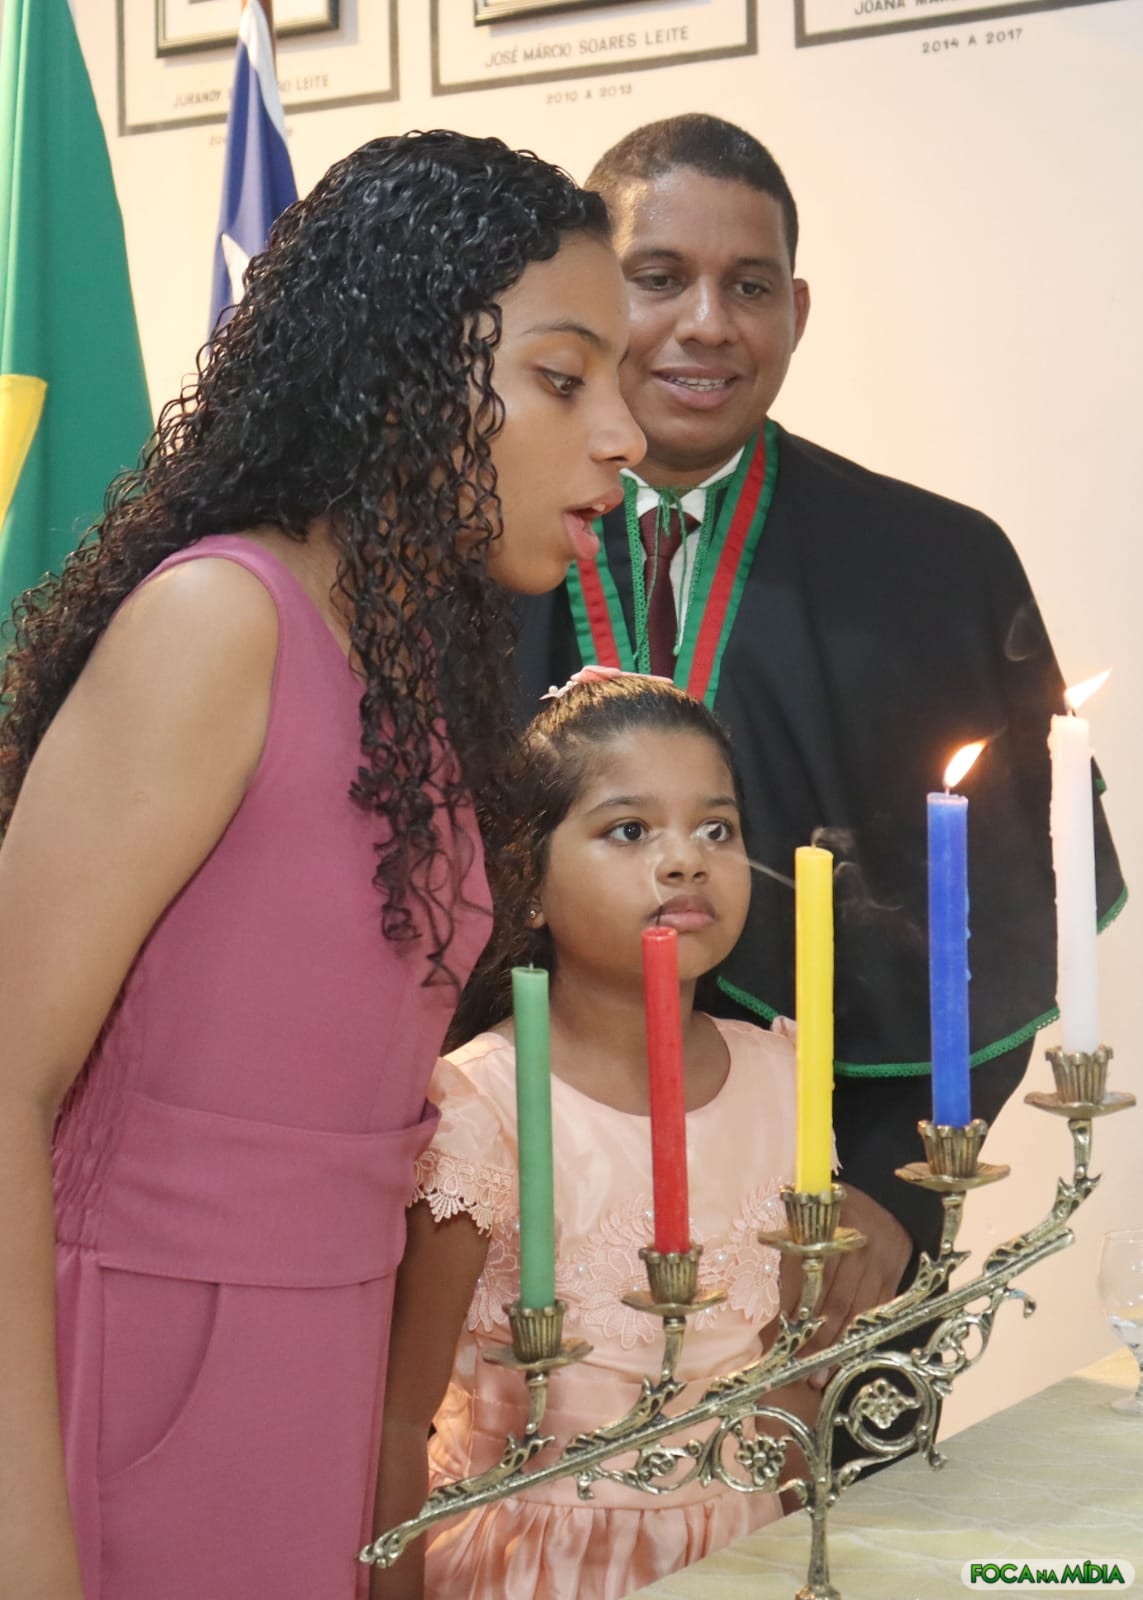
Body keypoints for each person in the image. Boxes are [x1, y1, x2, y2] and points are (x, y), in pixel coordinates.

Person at [0, 131, 643, 1600]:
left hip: (327, 1350)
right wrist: (19, 1531)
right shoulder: (218, 622)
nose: (619, 430)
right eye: (562, 377)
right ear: (404, 367)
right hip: (147, 1363)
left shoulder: (411, 664)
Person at [515, 114, 1125, 1349]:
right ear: (589, 299)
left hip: (826, 1220)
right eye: (658, 278)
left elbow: (997, 920)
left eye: (749, 287)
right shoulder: (468, 553)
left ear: (796, 311)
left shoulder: (938, 566)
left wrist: (900, 1192)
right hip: (516, 1201)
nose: (707, 324)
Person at [375, 671, 817, 1600]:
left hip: (741, 1552)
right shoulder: (481, 1106)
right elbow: (395, 1419)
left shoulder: (783, 1076)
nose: (685, 861)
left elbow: (783, 1377)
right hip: (532, 1562)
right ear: (525, 883)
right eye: (629, 830)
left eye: (716, 829)